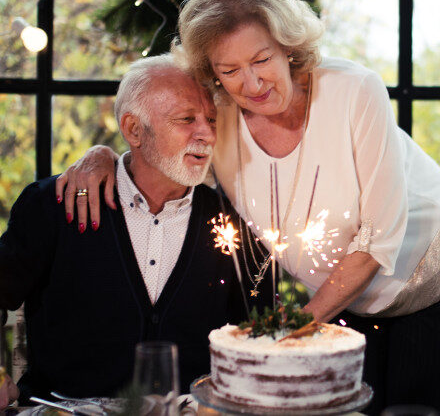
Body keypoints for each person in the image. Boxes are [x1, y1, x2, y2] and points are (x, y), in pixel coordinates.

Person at [56, 0, 440, 415]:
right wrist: (103, 155)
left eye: (261, 60)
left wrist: (291, 330)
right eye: (230, 71)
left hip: (433, 268)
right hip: (344, 295)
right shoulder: (217, 119)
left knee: (411, 409)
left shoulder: (354, 91)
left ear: (289, 47)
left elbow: (378, 240)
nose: (251, 84)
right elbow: (159, 152)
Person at [0, 53, 271, 408]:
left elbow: (261, 330)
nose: (205, 134)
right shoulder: (52, 206)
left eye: (211, 120)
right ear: (133, 129)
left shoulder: (230, 222)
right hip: (64, 410)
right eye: (187, 119)